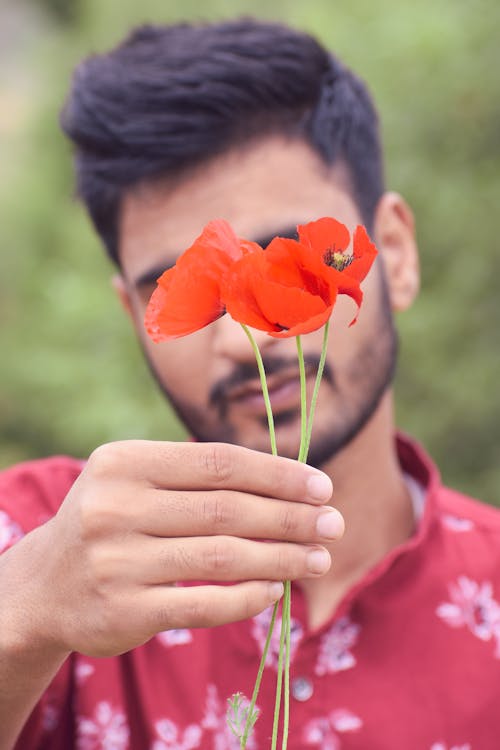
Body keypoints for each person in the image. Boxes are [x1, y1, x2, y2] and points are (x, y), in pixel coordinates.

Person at [1, 17, 499, 750]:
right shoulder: (33, 536)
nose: (246, 337)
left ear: (390, 253)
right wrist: (23, 618)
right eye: (190, 292)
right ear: (135, 312)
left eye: (286, 259)